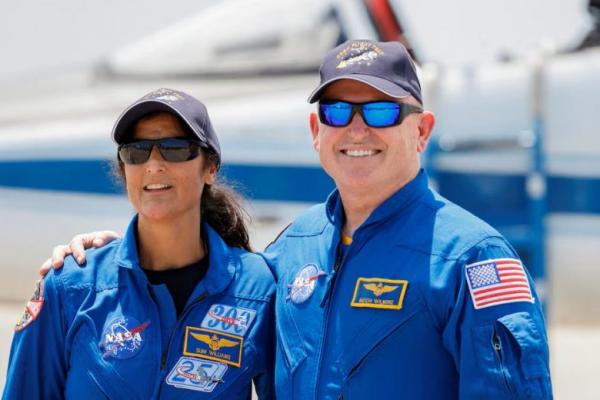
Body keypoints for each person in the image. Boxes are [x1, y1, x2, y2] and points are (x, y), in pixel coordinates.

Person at [39, 40, 553, 399]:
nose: (356, 129)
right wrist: (105, 260)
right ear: (315, 130)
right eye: (336, 113)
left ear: (422, 132)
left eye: (379, 112)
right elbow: (208, 291)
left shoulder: (471, 258)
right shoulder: (290, 252)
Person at [4, 88, 275, 399]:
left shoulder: (259, 289)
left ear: (210, 168)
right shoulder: (70, 287)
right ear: (124, 169)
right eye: (137, 151)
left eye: (175, 149)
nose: (154, 164)